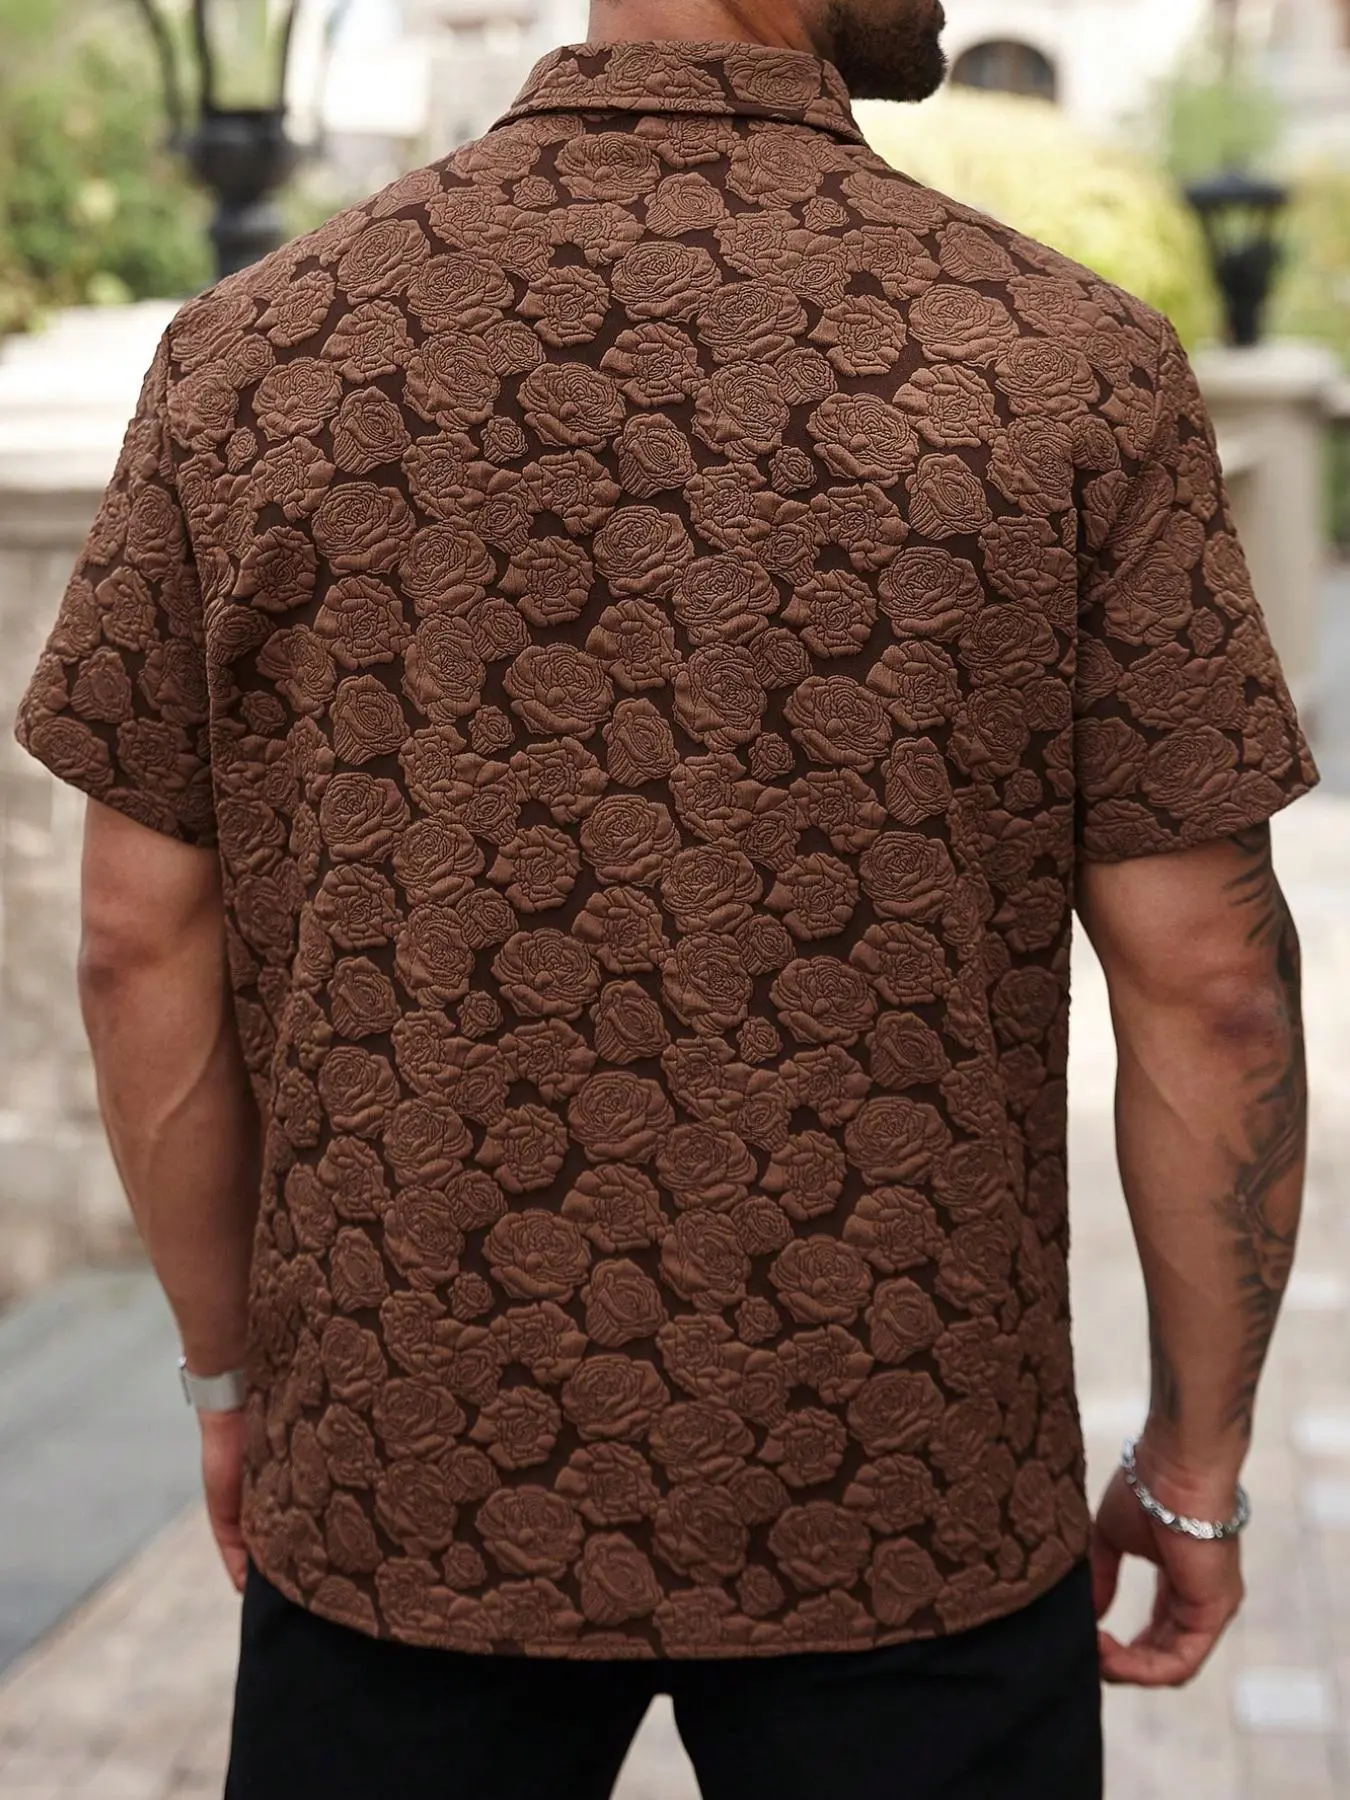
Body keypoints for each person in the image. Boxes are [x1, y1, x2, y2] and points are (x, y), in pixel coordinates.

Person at [14, 0, 1318, 1793]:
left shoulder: (263, 351)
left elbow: (133, 938)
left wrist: (233, 1378)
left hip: (406, 1469)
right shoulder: (1061, 363)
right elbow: (1212, 987)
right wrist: (1193, 1463)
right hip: (904, 1483)